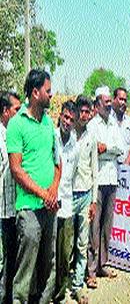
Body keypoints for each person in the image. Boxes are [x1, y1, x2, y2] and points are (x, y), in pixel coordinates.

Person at [6, 69, 61, 303]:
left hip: (50, 207)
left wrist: (53, 191)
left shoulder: (49, 123)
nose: (51, 94)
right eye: (48, 91)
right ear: (36, 92)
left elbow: (57, 163)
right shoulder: (16, 125)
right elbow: (16, 169)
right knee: (26, 268)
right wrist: (42, 193)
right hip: (28, 208)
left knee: (49, 264)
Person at [87, 86, 121, 288]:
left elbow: (119, 148)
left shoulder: (114, 124)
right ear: (97, 104)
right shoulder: (92, 125)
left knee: (107, 226)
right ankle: (91, 270)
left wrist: (106, 148)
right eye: (106, 102)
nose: (109, 105)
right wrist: (106, 150)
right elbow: (93, 150)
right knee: (94, 227)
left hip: (112, 178)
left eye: (110, 102)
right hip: (98, 180)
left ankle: (102, 264)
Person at [72, 95, 98, 302]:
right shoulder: (66, 133)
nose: (84, 115)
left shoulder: (91, 136)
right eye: (81, 111)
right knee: (64, 245)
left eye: (88, 111)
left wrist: (93, 200)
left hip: (85, 193)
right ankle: (61, 283)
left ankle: (77, 285)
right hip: (66, 195)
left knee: (82, 243)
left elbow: (94, 169)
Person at [53, 100, 79, 304]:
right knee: (48, 253)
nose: (68, 122)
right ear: (60, 116)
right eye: (66, 117)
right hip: (50, 203)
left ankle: (60, 294)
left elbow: (74, 174)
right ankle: (45, 292)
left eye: (72, 119)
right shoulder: (50, 137)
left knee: (64, 253)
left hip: (67, 205)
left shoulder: (75, 145)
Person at [0, 91, 21, 303]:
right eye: (16, 109)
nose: (20, 112)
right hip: (3, 211)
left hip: (16, 208)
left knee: (14, 261)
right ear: (5, 111)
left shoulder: (16, 134)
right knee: (5, 262)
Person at [111, 87, 130, 164]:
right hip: (110, 167)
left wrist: (126, 163)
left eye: (125, 100)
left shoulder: (129, 121)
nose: (123, 103)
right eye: (121, 99)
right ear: (114, 100)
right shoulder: (108, 119)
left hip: (126, 166)